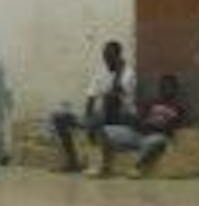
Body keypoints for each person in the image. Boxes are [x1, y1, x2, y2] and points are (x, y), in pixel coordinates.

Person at [48, 40, 138, 173]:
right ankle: (72, 161)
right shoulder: (101, 72)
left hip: (123, 116)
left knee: (109, 98)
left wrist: (119, 71)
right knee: (59, 117)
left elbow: (116, 94)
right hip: (102, 115)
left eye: (110, 56)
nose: (106, 60)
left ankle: (103, 165)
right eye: (105, 56)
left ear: (119, 56)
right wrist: (88, 118)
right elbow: (91, 96)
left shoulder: (128, 74)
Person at [105, 73, 190, 175]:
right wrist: (137, 122)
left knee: (156, 141)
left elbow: (174, 127)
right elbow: (140, 118)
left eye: (170, 87)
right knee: (106, 131)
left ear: (175, 89)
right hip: (139, 134)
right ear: (160, 88)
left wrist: (159, 128)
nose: (167, 90)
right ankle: (104, 165)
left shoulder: (178, 108)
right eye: (164, 87)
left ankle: (137, 168)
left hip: (157, 136)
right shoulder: (152, 102)